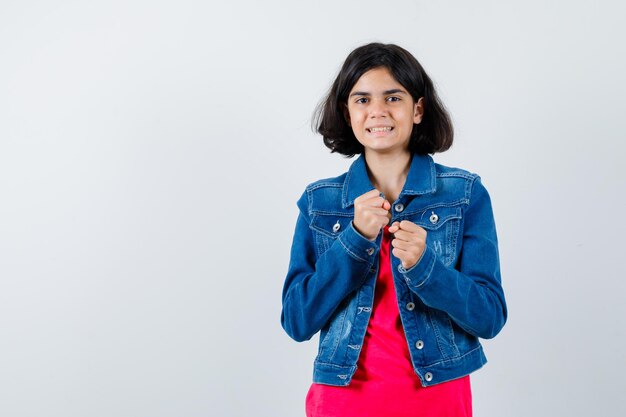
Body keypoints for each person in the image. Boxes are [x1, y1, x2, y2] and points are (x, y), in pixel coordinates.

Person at [280, 42, 507, 417]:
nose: (378, 112)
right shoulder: (319, 202)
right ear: (346, 111)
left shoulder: (465, 194)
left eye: (393, 97)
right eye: (362, 100)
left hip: (437, 401)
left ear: (417, 109)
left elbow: (490, 317)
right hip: (341, 402)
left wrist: (426, 268)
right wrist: (353, 240)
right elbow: (297, 320)